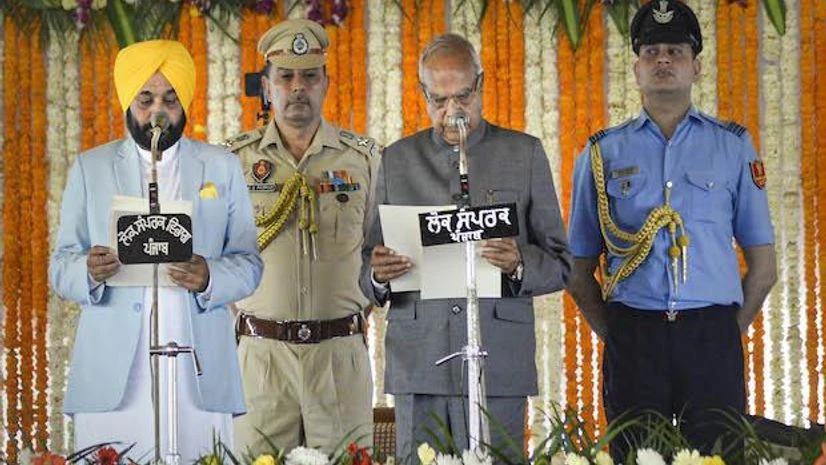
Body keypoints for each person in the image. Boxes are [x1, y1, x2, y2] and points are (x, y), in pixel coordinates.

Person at [567, 0, 777, 459]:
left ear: (696, 67)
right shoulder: (601, 154)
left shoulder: (733, 146)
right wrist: (617, 335)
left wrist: (726, 333)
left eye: (676, 51)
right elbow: (578, 271)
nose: (663, 60)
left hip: (710, 334)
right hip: (634, 335)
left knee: (717, 456)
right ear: (636, 69)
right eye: (652, 52)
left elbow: (763, 268)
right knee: (636, 456)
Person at [359, 33, 570, 462]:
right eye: (439, 100)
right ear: (422, 94)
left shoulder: (524, 153)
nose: (453, 111)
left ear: (482, 84)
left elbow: (561, 263)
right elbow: (366, 267)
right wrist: (378, 275)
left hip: (499, 363)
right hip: (421, 363)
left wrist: (519, 264)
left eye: (463, 96)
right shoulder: (396, 160)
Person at [49, 40, 262, 462]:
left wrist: (210, 277)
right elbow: (60, 266)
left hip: (196, 367)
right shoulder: (92, 167)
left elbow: (249, 263)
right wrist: (88, 270)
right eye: (145, 100)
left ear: (185, 104)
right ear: (129, 103)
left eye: (170, 99)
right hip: (113, 370)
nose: (157, 112)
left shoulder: (220, 166)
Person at [227, 19, 377, 456]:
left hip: (339, 358)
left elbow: (381, 255)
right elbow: (216, 261)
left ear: (325, 83)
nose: (298, 88)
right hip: (261, 361)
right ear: (266, 86)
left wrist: (349, 314)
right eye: (286, 77)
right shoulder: (233, 162)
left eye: (310, 76)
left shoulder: (364, 160)